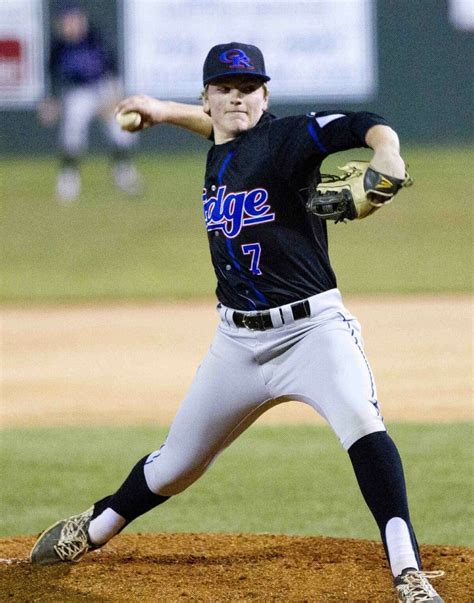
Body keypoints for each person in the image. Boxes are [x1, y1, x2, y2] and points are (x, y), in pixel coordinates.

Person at [30, 42, 444, 602]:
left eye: (248, 89)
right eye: (224, 89)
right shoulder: (222, 142)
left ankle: (407, 571)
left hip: (312, 333)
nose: (236, 99)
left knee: (363, 426)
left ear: (265, 96)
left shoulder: (287, 138)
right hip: (237, 344)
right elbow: (219, 130)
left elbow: (364, 124)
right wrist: (162, 109)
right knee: (175, 467)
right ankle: (95, 527)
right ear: (207, 96)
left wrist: (388, 153)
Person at [38, 4, 142, 203]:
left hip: (104, 88)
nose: (71, 26)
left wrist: (113, 98)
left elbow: (113, 69)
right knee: (72, 133)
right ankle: (68, 179)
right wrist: (50, 101)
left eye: (74, 20)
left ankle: (123, 173)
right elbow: (52, 77)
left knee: (122, 129)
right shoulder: (58, 46)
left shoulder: (95, 37)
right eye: (67, 22)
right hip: (78, 92)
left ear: (82, 20)